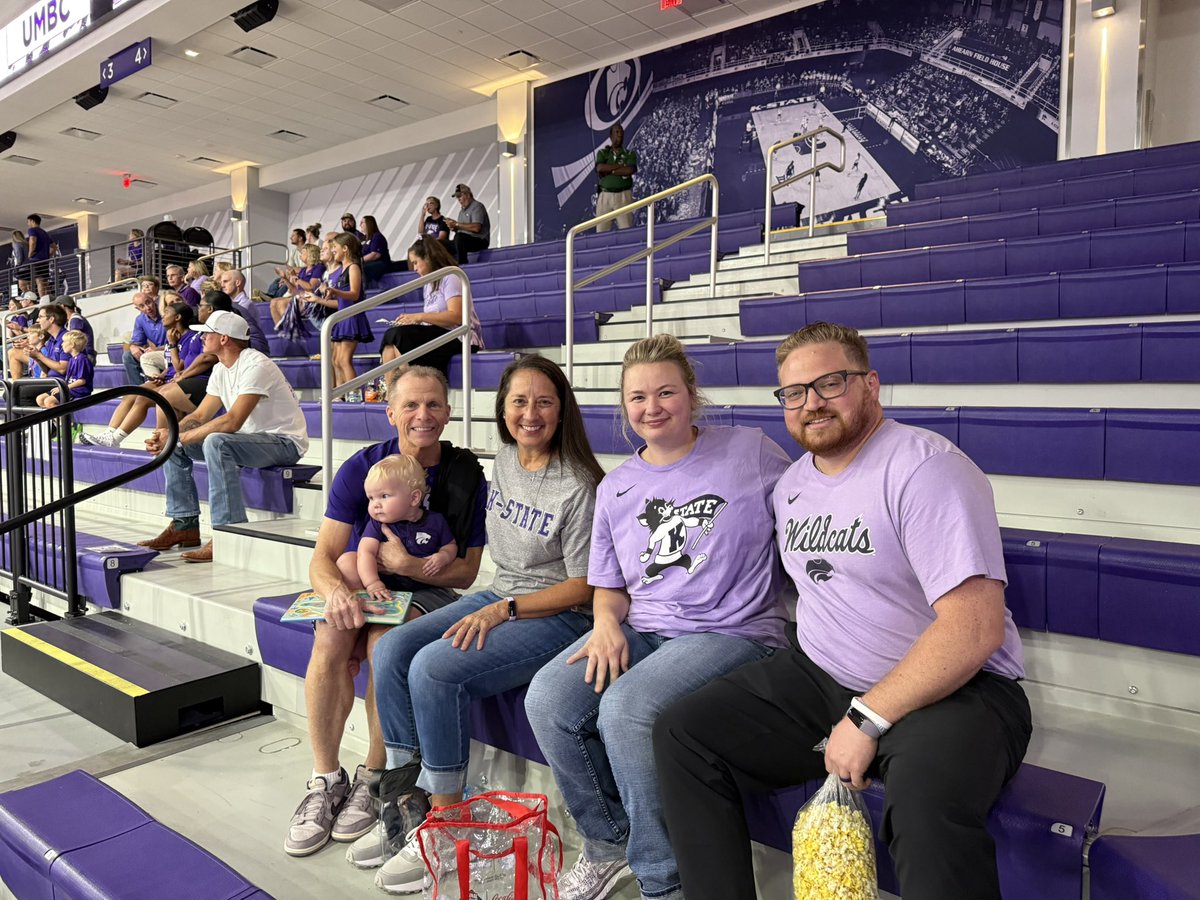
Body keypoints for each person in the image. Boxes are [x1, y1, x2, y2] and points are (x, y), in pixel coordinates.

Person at [652, 322, 1031, 900]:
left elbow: (974, 629)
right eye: (795, 393)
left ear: (871, 385)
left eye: (830, 383)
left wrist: (866, 718)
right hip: (824, 676)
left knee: (925, 809)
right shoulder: (792, 484)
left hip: (957, 690)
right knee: (683, 734)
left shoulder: (924, 468)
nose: (812, 403)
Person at [523, 334, 792, 900]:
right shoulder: (619, 485)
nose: (652, 407)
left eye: (666, 392)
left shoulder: (751, 450)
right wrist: (604, 624)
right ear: (624, 407)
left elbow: (811, 505)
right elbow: (610, 586)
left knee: (624, 709)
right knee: (547, 699)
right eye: (638, 397)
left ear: (691, 395)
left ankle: (663, 882)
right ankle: (608, 846)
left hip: (733, 630)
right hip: (645, 628)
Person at [358, 356, 604, 892]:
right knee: (394, 648)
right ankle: (405, 801)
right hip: (502, 592)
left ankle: (449, 825)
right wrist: (496, 600)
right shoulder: (509, 459)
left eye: (544, 401)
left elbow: (586, 585)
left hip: (558, 614)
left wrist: (506, 609)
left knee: (434, 670)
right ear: (502, 410)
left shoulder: (581, 483)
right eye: (519, 401)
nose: (530, 413)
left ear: (563, 410)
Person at [286, 365, 486, 859]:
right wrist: (336, 593)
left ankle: (373, 777)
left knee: (384, 644)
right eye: (412, 406)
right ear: (390, 411)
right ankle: (324, 778)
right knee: (331, 636)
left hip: (427, 591)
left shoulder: (463, 474)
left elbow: (465, 574)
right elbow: (324, 555)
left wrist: (411, 566)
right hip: (361, 583)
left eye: (434, 404)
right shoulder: (364, 467)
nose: (424, 416)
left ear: (448, 410)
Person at [137, 310, 308, 562]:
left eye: (207, 333)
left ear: (225, 338)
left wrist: (180, 437)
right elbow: (201, 415)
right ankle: (185, 524)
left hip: (283, 443)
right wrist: (170, 435)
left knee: (217, 442)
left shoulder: (256, 364)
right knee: (175, 444)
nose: (201, 337)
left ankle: (228, 531)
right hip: (250, 441)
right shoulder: (221, 369)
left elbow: (232, 420)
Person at [81, 302, 209, 447]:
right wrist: (162, 375)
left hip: (180, 381)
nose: (163, 316)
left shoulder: (189, 337)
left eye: (166, 312)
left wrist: (173, 344)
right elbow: (170, 366)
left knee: (143, 399)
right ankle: (109, 433)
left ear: (178, 317)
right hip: (167, 378)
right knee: (131, 394)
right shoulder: (171, 335)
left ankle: (116, 439)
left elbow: (180, 366)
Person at [340, 454, 458, 603]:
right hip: (387, 586)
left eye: (384, 496)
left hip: (425, 587)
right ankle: (358, 601)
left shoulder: (435, 521)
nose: (376, 504)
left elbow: (450, 545)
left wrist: (443, 556)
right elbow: (366, 552)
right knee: (347, 560)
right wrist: (373, 583)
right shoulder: (378, 524)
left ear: (414, 498)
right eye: (371, 498)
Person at [377, 237, 482, 378]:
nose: (414, 268)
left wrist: (419, 317)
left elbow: (456, 317)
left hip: (459, 337)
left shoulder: (451, 277)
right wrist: (413, 321)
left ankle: (410, 389)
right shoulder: (428, 284)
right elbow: (433, 318)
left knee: (400, 336)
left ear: (428, 258)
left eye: (416, 263)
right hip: (440, 334)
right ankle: (393, 397)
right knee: (390, 338)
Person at [318, 232, 371, 391]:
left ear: (345, 249)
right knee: (335, 360)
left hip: (351, 317)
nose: (333, 250)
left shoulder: (353, 267)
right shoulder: (343, 269)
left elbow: (354, 294)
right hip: (342, 317)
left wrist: (336, 291)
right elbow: (342, 298)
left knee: (344, 360)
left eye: (335, 247)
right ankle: (341, 394)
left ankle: (353, 395)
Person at [595, 123, 638, 232]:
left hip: (623, 196)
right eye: (617, 132)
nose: (620, 135)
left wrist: (609, 171)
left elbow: (629, 170)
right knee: (601, 231)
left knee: (626, 229)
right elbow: (600, 168)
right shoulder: (603, 153)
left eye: (621, 133)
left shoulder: (629, 154)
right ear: (611, 136)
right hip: (605, 196)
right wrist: (620, 166)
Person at [35, 330, 93, 408]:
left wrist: (64, 388)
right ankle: (56, 418)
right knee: (40, 399)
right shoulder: (72, 359)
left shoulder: (82, 359)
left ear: (72, 345)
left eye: (64, 342)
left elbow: (82, 381)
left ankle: (63, 419)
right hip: (70, 388)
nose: (62, 344)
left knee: (49, 401)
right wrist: (60, 387)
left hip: (79, 390)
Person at [123, 292, 167, 385]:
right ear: (137, 309)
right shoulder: (140, 319)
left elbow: (177, 342)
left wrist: (156, 349)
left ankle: (154, 386)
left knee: (148, 357)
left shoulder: (165, 312)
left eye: (148, 302)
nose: (147, 308)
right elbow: (137, 341)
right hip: (156, 351)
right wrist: (133, 347)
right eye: (142, 306)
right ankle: (138, 389)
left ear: (153, 299)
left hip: (170, 350)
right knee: (128, 356)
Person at [443, 184, 489, 264]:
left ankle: (462, 265)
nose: (459, 200)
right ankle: (447, 267)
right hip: (463, 240)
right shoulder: (462, 212)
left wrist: (456, 224)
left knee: (459, 238)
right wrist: (454, 228)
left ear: (468, 195)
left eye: (460, 196)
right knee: (440, 243)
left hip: (479, 240)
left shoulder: (477, 206)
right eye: (457, 197)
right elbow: (462, 229)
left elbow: (476, 228)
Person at [359, 215, 391, 285]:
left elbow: (375, 255)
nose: (360, 225)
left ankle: (364, 290)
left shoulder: (377, 236)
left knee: (362, 269)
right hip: (368, 262)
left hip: (381, 263)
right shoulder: (363, 239)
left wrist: (359, 260)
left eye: (362, 222)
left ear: (368, 224)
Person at [25, 214, 51, 298]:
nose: (28, 223)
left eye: (28, 221)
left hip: (36, 259)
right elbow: (54, 247)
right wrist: (48, 255)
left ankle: (43, 300)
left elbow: (32, 241)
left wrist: (30, 253)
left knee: (39, 281)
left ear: (32, 221)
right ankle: (47, 299)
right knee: (44, 282)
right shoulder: (44, 232)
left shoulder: (32, 230)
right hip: (45, 260)